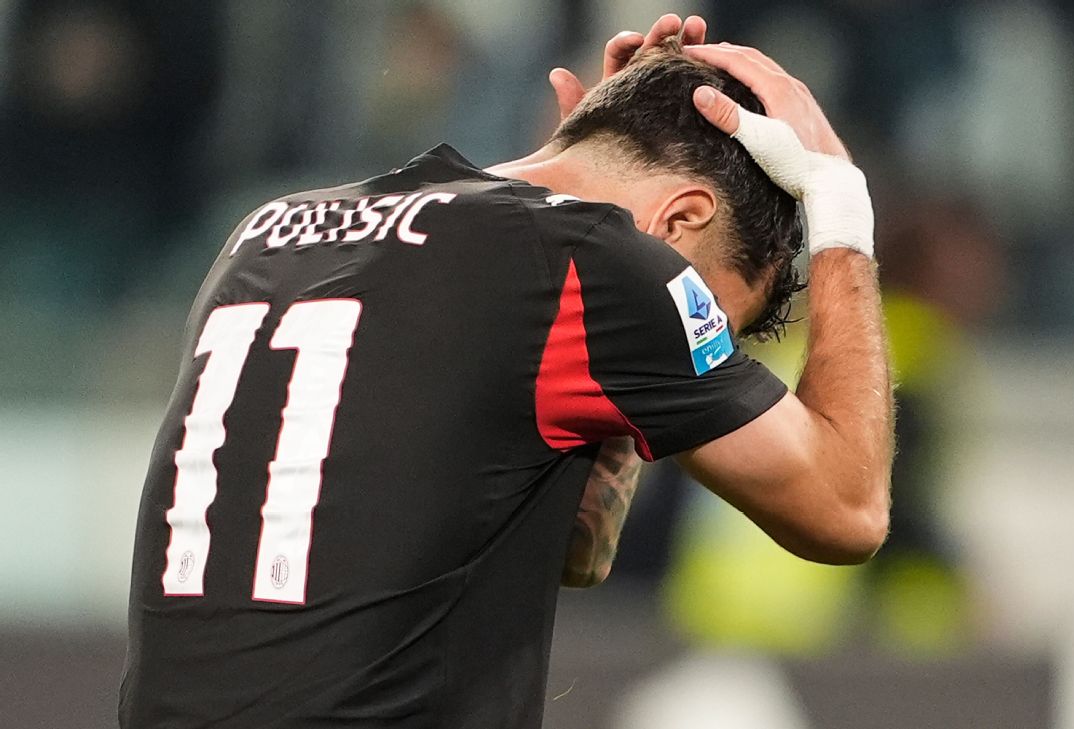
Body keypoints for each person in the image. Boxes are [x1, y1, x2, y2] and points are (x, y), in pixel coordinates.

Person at [120, 13, 893, 729]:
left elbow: (580, 554)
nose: (703, 351)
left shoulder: (266, 230)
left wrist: (607, 253)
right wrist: (840, 201)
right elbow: (848, 509)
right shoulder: (589, 260)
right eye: (712, 319)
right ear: (682, 218)